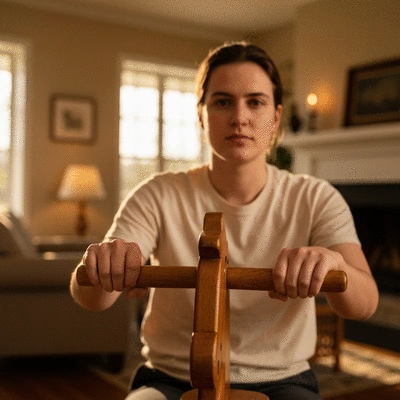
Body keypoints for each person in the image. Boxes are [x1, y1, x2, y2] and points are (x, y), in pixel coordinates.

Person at [70, 41, 379, 400]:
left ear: (276, 117)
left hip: (284, 380)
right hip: (169, 377)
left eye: (255, 102)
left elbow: (366, 303)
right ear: (201, 115)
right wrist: (106, 263)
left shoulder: (316, 196)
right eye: (222, 101)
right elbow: (92, 298)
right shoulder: (157, 193)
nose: (239, 117)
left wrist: (334, 262)